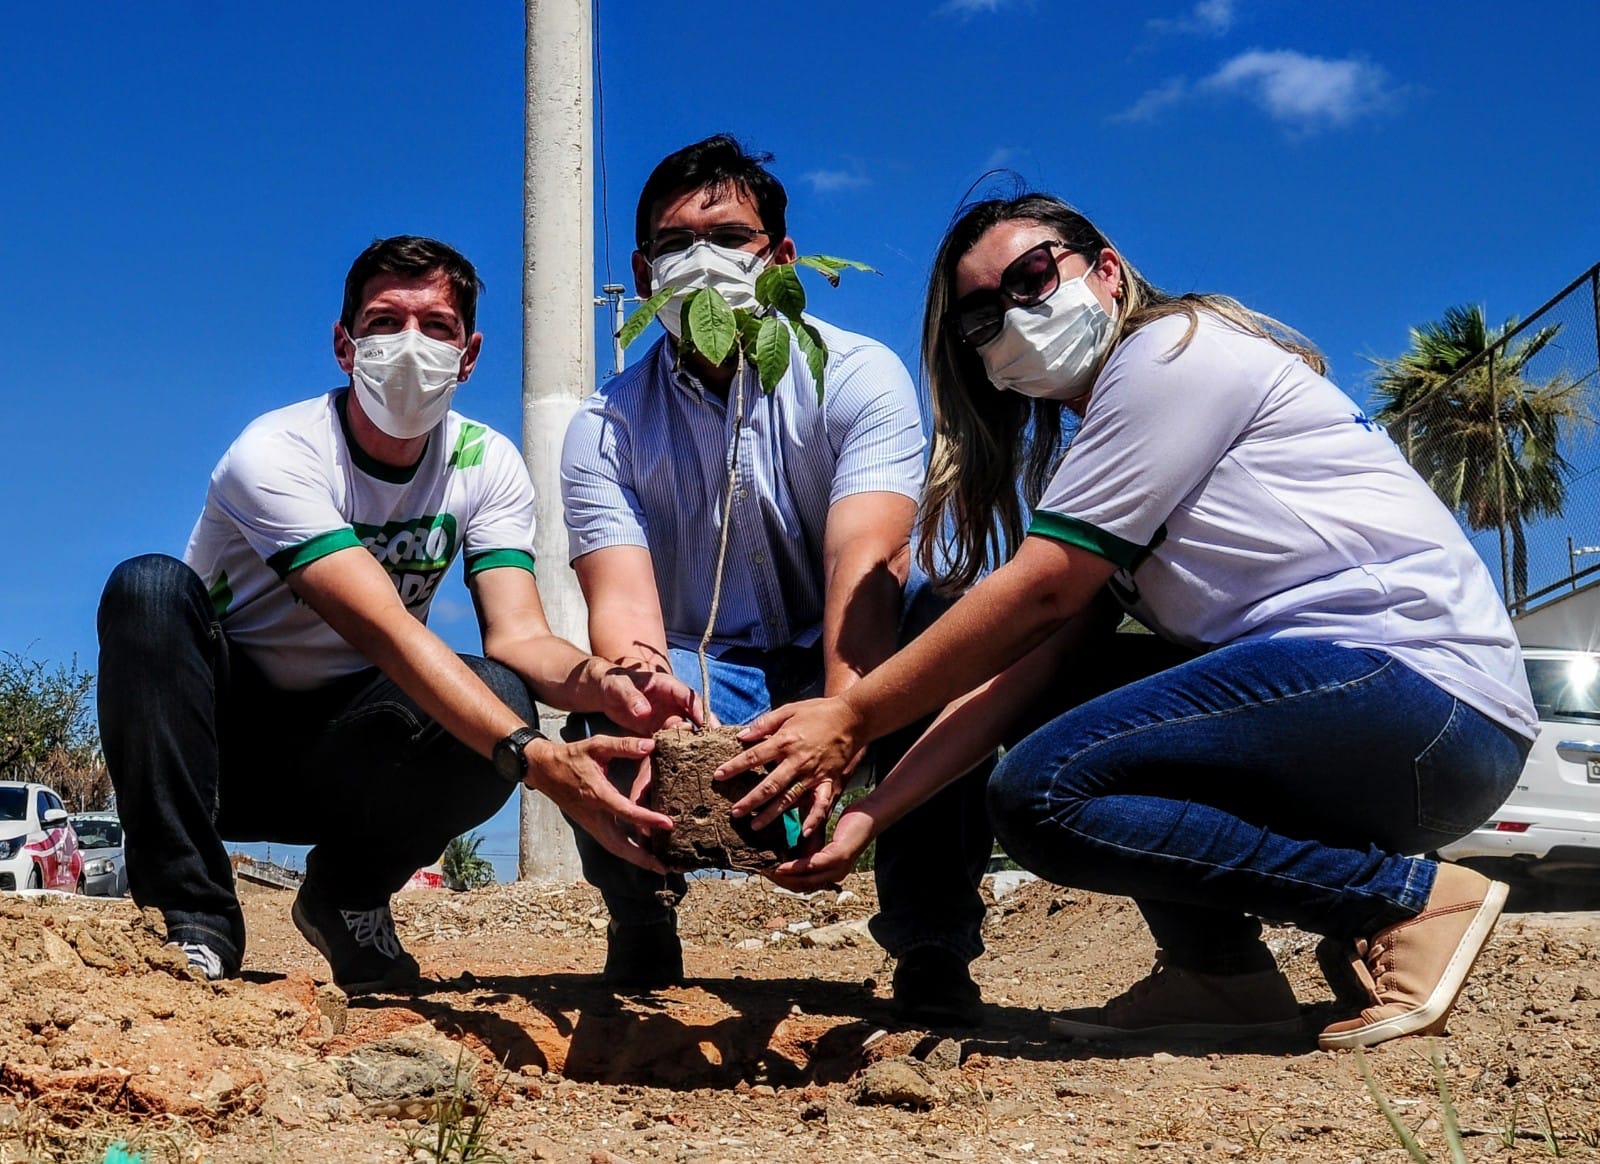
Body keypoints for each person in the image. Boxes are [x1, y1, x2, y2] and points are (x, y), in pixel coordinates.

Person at [717, 194, 1536, 1050]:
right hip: (1384, 723)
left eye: (1033, 278)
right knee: (1056, 708)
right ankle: (1220, 977)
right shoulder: (1116, 447)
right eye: (982, 317)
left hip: (1418, 699)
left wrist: (850, 718)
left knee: (1041, 794)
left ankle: (1404, 900)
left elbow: (1039, 591)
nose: (1018, 317)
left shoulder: (1170, 357)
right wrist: (868, 818)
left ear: (1105, 270)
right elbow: (1022, 672)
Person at [98, 236, 700, 993]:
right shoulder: (275, 451)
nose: (409, 345)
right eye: (384, 322)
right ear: (344, 345)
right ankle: (191, 919)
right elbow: (383, 628)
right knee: (148, 589)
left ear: (470, 353)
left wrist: (602, 681)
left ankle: (346, 895)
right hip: (222, 748)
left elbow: (518, 637)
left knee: (502, 693)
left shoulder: (486, 464)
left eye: (436, 325)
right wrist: (533, 757)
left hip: (350, 748)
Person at [560, 135, 995, 1024]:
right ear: (643, 275)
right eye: (674, 246)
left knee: (941, 634)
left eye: (728, 238)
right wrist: (653, 699)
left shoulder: (856, 375)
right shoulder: (603, 425)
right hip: (702, 663)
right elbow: (623, 607)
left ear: (783, 260)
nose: (700, 264)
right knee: (603, 705)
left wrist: (844, 723)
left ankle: (932, 943)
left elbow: (868, 569)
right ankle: (642, 913)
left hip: (839, 649)